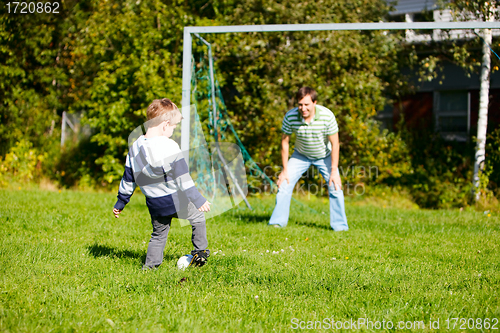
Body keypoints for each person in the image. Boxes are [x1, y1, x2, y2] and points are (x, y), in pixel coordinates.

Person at [112, 98, 212, 269]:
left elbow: (128, 177)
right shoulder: (169, 146)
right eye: (173, 127)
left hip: (154, 202)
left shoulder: (135, 147)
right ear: (165, 125)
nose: (173, 130)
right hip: (174, 199)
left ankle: (150, 267)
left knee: (158, 235)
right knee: (197, 216)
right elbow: (183, 178)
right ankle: (200, 252)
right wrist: (197, 199)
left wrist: (121, 201)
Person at [269, 87, 348, 231]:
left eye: (306, 105)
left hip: (324, 156)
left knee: (335, 186)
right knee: (284, 183)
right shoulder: (291, 116)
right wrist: (285, 170)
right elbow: (284, 142)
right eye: (300, 104)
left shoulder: (327, 116)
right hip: (301, 155)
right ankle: (277, 222)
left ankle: (340, 226)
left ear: (314, 103)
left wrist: (334, 170)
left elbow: (335, 144)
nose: (303, 108)